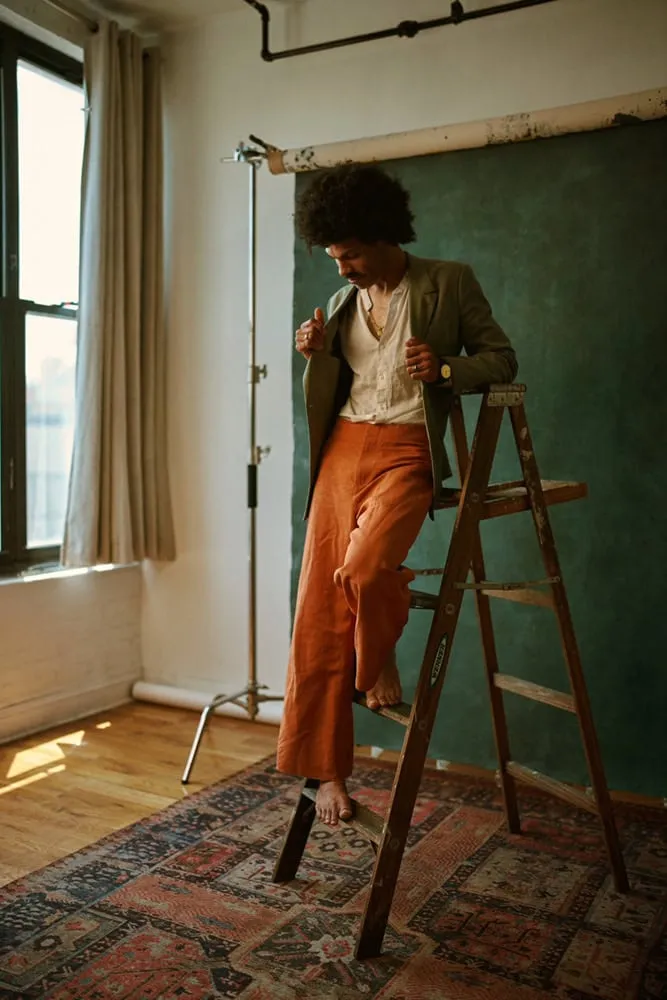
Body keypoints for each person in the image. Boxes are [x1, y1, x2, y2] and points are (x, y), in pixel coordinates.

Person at [276, 164, 517, 827]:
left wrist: (445, 367)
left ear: (383, 235)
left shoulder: (447, 282)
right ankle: (326, 773)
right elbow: (341, 383)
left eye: (350, 253)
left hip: (409, 449)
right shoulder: (340, 303)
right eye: (334, 257)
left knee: (364, 569)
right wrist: (315, 355)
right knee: (318, 610)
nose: (342, 267)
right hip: (342, 450)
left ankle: (375, 657)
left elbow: (501, 359)